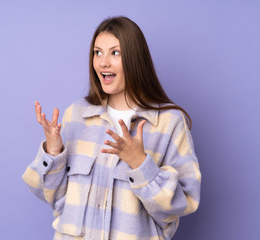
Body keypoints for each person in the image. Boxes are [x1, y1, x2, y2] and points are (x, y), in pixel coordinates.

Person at [22, 16, 201, 240]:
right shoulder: (77, 115)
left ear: (135, 59)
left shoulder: (169, 122)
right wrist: (53, 151)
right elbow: (51, 196)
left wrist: (140, 164)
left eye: (115, 52)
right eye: (98, 52)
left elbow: (182, 203)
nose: (103, 62)